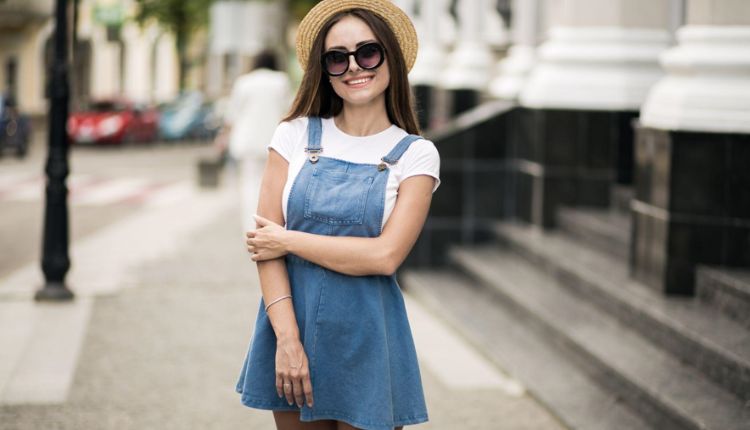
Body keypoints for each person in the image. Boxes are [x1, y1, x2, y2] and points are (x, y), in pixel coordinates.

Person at [236, 1, 440, 429]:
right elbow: (264, 251)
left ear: (390, 57)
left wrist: (288, 239)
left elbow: (384, 256)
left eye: (368, 52)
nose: (354, 67)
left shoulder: (417, 155)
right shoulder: (291, 135)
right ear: (323, 69)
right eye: (336, 58)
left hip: (369, 336)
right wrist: (287, 339)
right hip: (291, 322)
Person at [217, 50, 291, 232]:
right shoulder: (281, 81)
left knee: (249, 185)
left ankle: (251, 228)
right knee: (274, 187)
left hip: (247, 141)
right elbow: (289, 110)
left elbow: (232, 114)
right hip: (274, 141)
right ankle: (272, 226)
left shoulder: (244, 82)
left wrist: (223, 136)